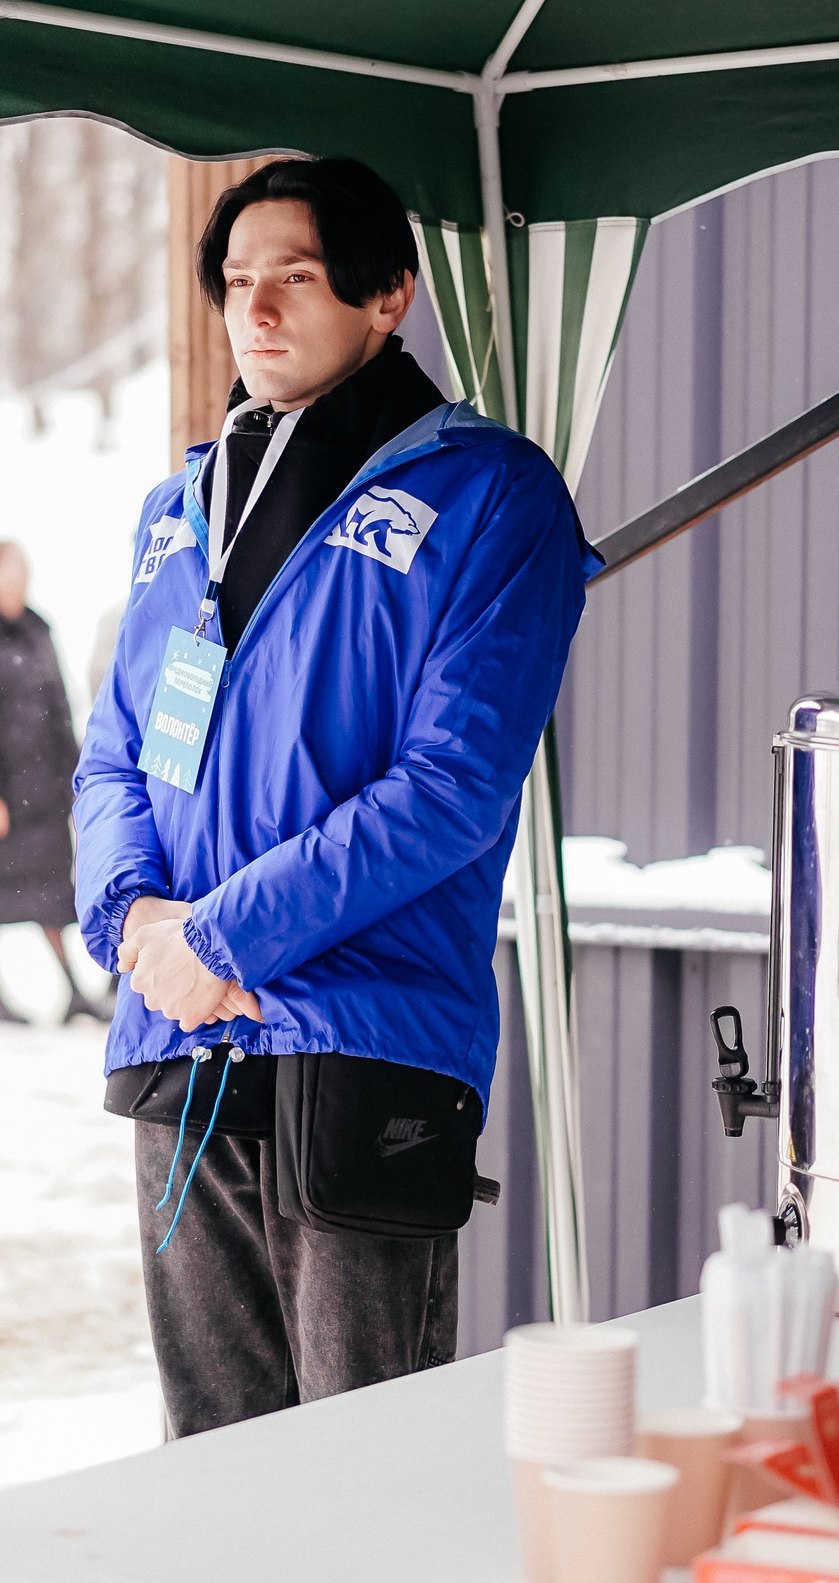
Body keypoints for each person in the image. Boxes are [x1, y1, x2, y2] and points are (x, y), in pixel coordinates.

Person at [74, 157, 593, 1436]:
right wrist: (135, 924)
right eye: (236, 284)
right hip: (182, 1038)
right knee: (213, 1465)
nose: (254, 312)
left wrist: (220, 938)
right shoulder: (177, 505)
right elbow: (113, 755)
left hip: (360, 1042)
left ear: (387, 295)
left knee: (363, 1476)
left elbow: (453, 790)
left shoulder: (489, 494)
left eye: (293, 280)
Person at [0, 540, 103, 1027]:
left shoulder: (38, 629)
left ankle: (73, 990)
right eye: (7, 568)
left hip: (43, 787)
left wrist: (80, 775)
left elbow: (60, 709)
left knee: (53, 892)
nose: (17, 577)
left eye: (22, 568)